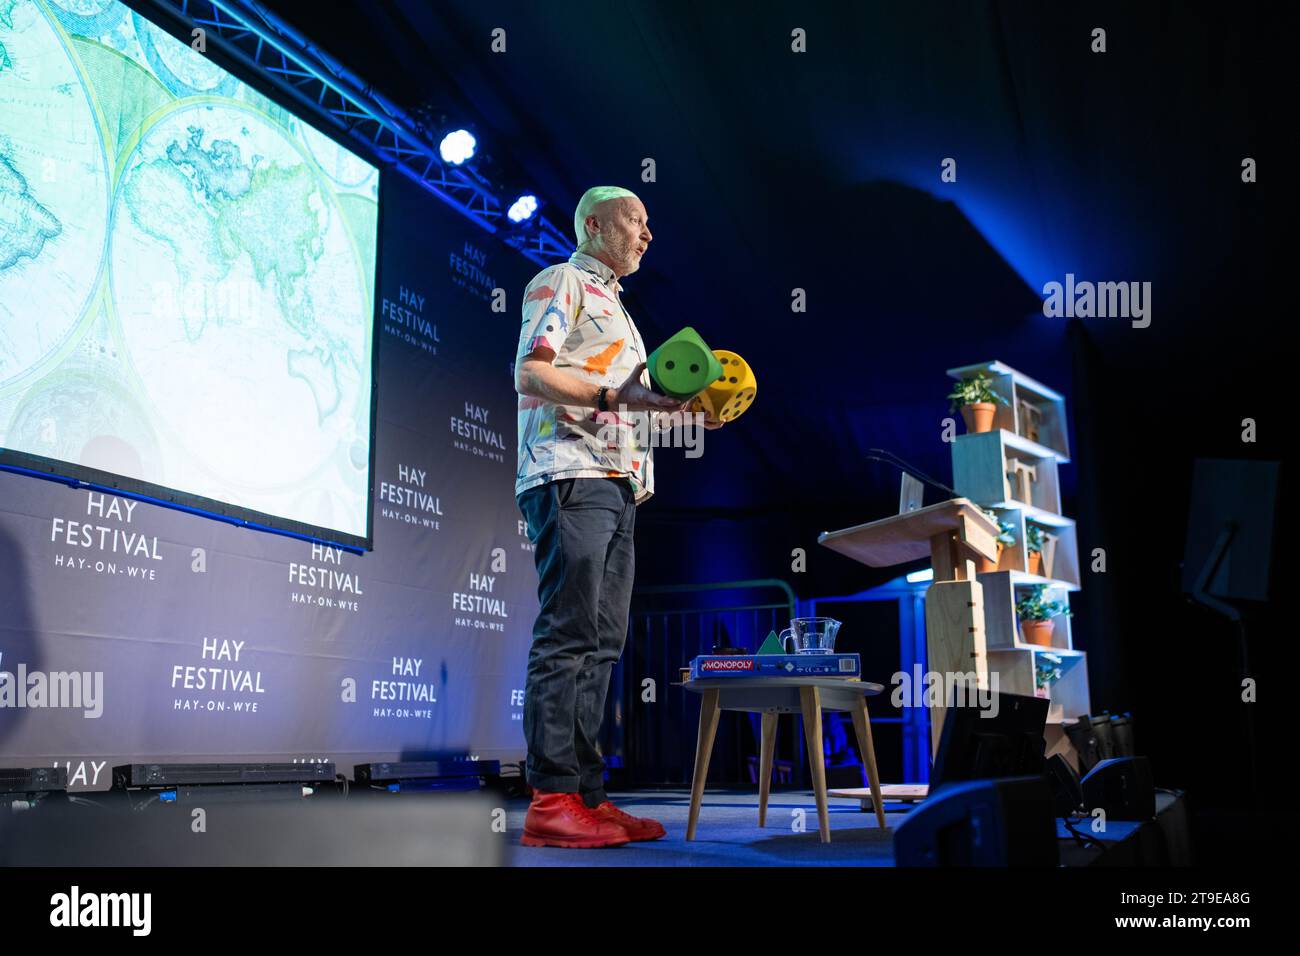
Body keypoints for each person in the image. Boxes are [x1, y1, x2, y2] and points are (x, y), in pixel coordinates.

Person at [513, 185, 716, 847]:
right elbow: (532, 375)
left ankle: (587, 798)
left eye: (650, 222)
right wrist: (612, 395)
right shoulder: (562, 279)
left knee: (601, 645)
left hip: (618, 482)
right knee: (569, 637)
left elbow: (627, 401)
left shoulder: (622, 312)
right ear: (595, 224)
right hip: (569, 472)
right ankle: (550, 798)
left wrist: (678, 410)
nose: (648, 233)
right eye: (637, 220)